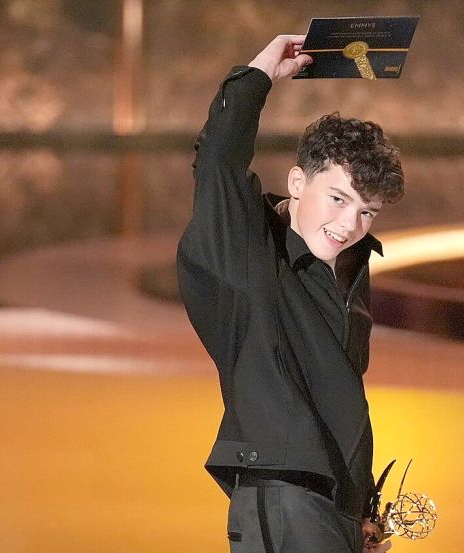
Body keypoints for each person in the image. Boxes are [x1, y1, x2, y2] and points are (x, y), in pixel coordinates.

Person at [177, 34, 404, 553]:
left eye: (366, 211)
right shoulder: (250, 250)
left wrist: (358, 513)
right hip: (283, 499)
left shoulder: (351, 267)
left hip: (327, 506)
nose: (349, 224)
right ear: (298, 182)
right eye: (338, 199)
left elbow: (336, 401)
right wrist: (258, 76)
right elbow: (217, 163)